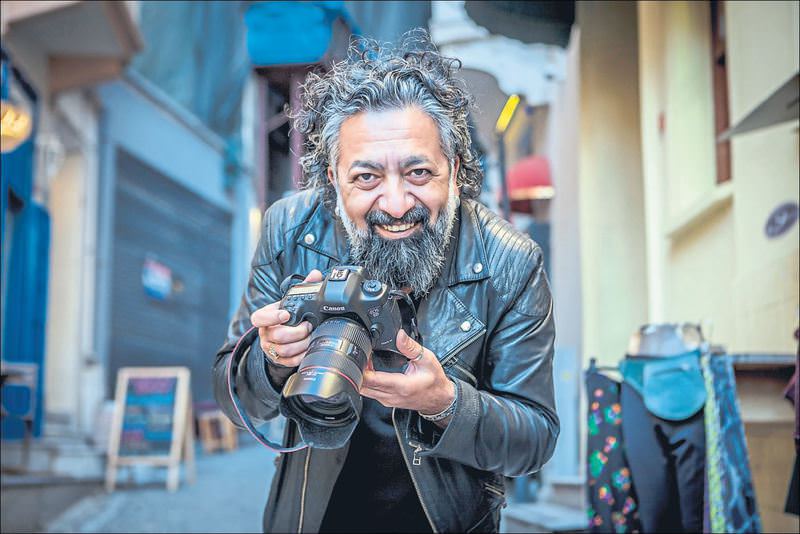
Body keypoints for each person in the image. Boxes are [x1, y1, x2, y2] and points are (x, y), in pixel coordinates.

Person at [212, 32, 558, 533]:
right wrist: (268, 361)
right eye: (367, 178)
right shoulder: (289, 228)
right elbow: (231, 394)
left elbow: (536, 439)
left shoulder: (510, 262)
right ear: (333, 179)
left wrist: (447, 404)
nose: (395, 205)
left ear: (454, 171)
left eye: (418, 173)